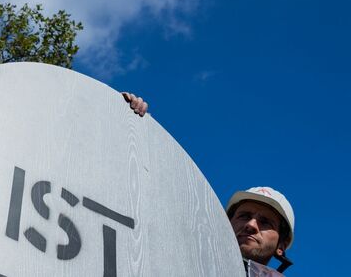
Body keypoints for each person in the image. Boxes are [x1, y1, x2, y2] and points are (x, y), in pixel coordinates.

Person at [121, 94, 295, 274]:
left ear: (281, 246)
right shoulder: (183, 264)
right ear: (225, 226)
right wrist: (126, 118)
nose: (251, 225)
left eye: (265, 222)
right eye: (244, 215)